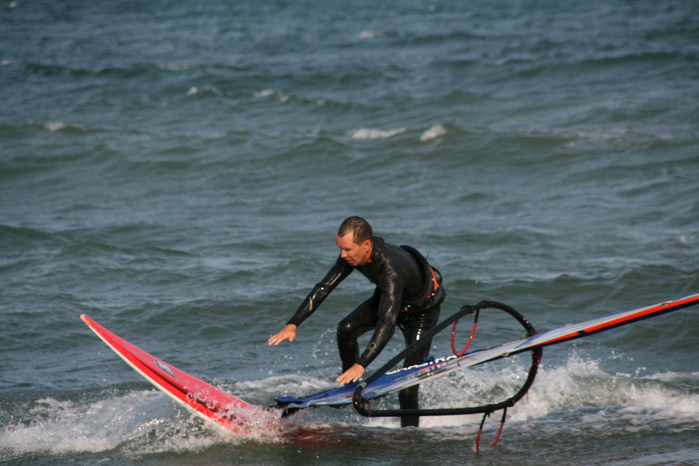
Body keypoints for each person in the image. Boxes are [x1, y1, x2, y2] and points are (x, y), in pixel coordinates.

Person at [268, 216, 445, 427]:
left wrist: (362, 363)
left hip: (422, 310)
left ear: (366, 245)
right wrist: (293, 323)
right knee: (346, 329)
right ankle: (350, 385)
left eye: (348, 250)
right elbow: (323, 287)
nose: (343, 255)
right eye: (340, 249)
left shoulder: (390, 269)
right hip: (391, 297)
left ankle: (410, 436)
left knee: (407, 385)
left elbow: (386, 323)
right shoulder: (353, 254)